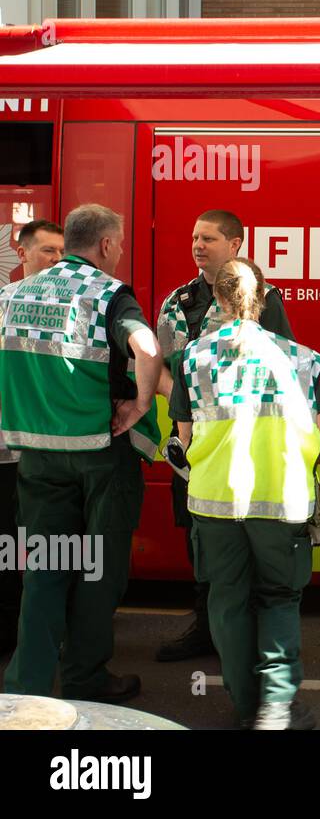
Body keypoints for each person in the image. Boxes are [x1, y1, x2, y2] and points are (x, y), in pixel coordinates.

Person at [0, 204, 161, 703]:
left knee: (44, 571)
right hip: (100, 454)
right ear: (107, 245)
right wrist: (139, 404)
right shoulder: (109, 293)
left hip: (37, 456)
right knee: (98, 570)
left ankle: (26, 688)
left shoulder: (10, 295)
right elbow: (147, 347)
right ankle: (85, 681)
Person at [169, 257, 320, 730]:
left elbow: (183, 436)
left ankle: (244, 706)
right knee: (278, 598)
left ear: (216, 298)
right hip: (280, 499)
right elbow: (316, 432)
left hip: (214, 501)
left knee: (227, 600)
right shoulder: (299, 358)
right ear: (263, 299)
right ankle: (277, 709)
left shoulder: (192, 357)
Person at [154, 209, 300, 663]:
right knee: (199, 538)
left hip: (249, 444)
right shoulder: (177, 302)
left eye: (210, 238)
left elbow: (284, 365)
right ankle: (207, 626)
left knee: (249, 537)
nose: (198, 245)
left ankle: (247, 631)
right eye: (195, 237)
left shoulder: (266, 299)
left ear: (235, 244)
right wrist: (188, 402)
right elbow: (162, 368)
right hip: (195, 447)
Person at [0, 220, 65, 658]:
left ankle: (47, 632)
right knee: (8, 546)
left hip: (50, 450)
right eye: (47, 252)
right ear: (22, 255)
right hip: (8, 452)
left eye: (62, 252)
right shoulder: (3, 305)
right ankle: (10, 634)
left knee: (53, 547)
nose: (57, 261)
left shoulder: (69, 306)